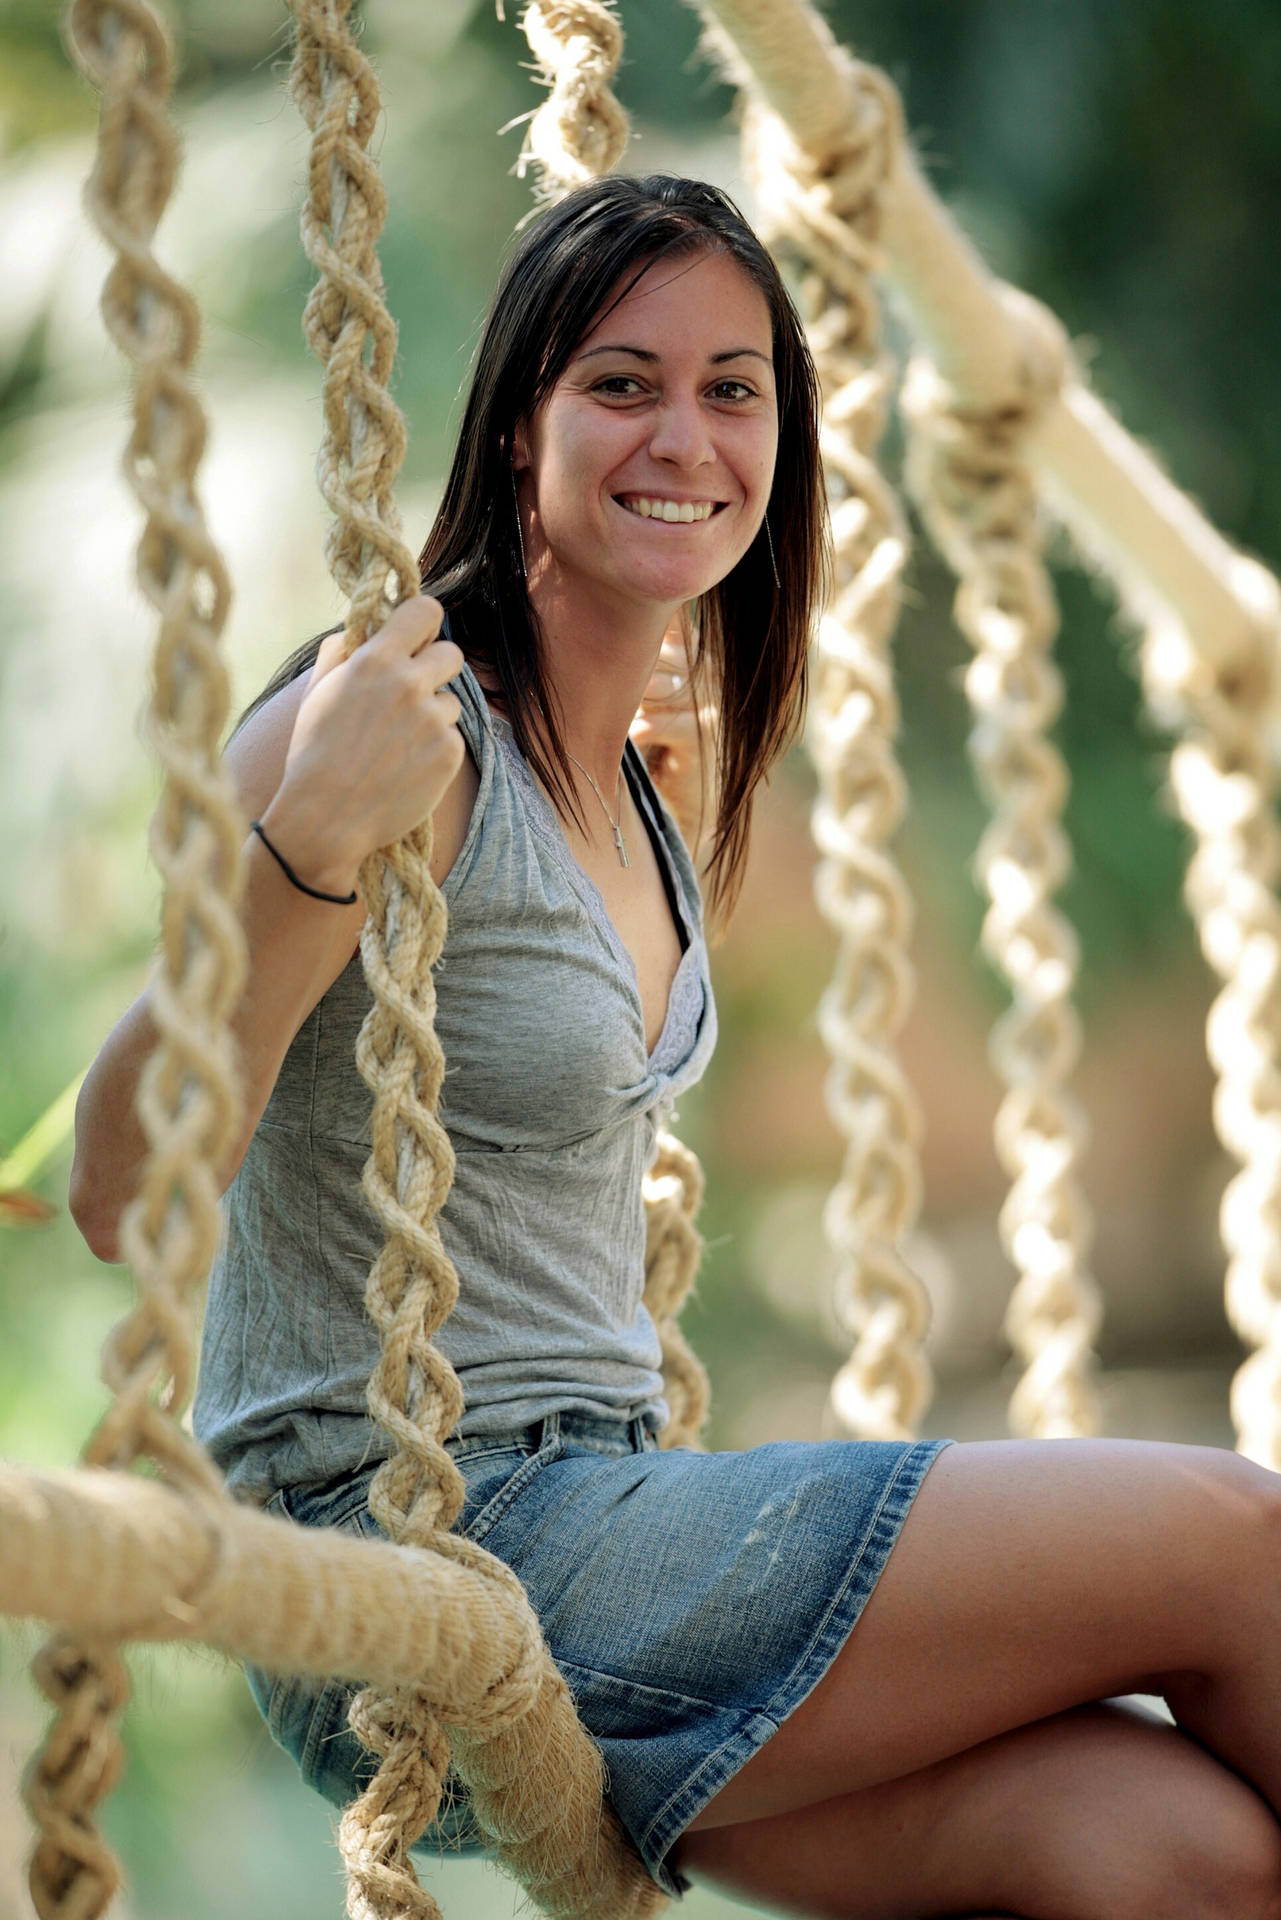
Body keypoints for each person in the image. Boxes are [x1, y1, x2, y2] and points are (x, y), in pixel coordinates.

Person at [69, 174, 1281, 1920]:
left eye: (734, 388)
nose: (685, 435)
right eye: (620, 383)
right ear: (515, 430)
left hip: (626, 1516)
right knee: (1241, 1540)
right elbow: (122, 1185)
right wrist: (302, 851)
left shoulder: (639, 786)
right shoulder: (383, 727)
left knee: (1170, 1857)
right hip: (422, 1530)